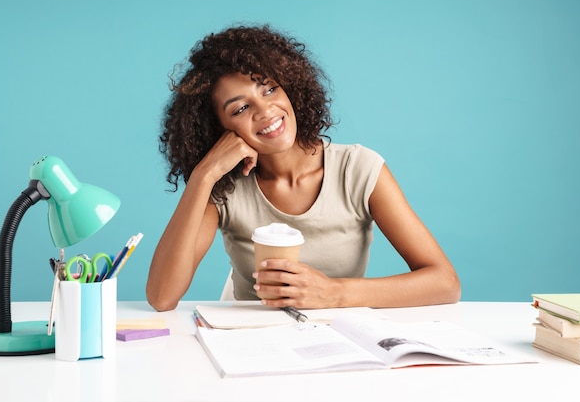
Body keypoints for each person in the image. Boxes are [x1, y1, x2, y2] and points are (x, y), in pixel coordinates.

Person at [146, 24, 460, 311]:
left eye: (269, 89)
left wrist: (332, 293)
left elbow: (444, 283)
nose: (266, 110)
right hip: (251, 345)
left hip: (339, 341)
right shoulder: (225, 188)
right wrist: (204, 174)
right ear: (219, 129)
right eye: (241, 108)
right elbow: (162, 297)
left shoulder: (359, 169)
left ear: (290, 87)